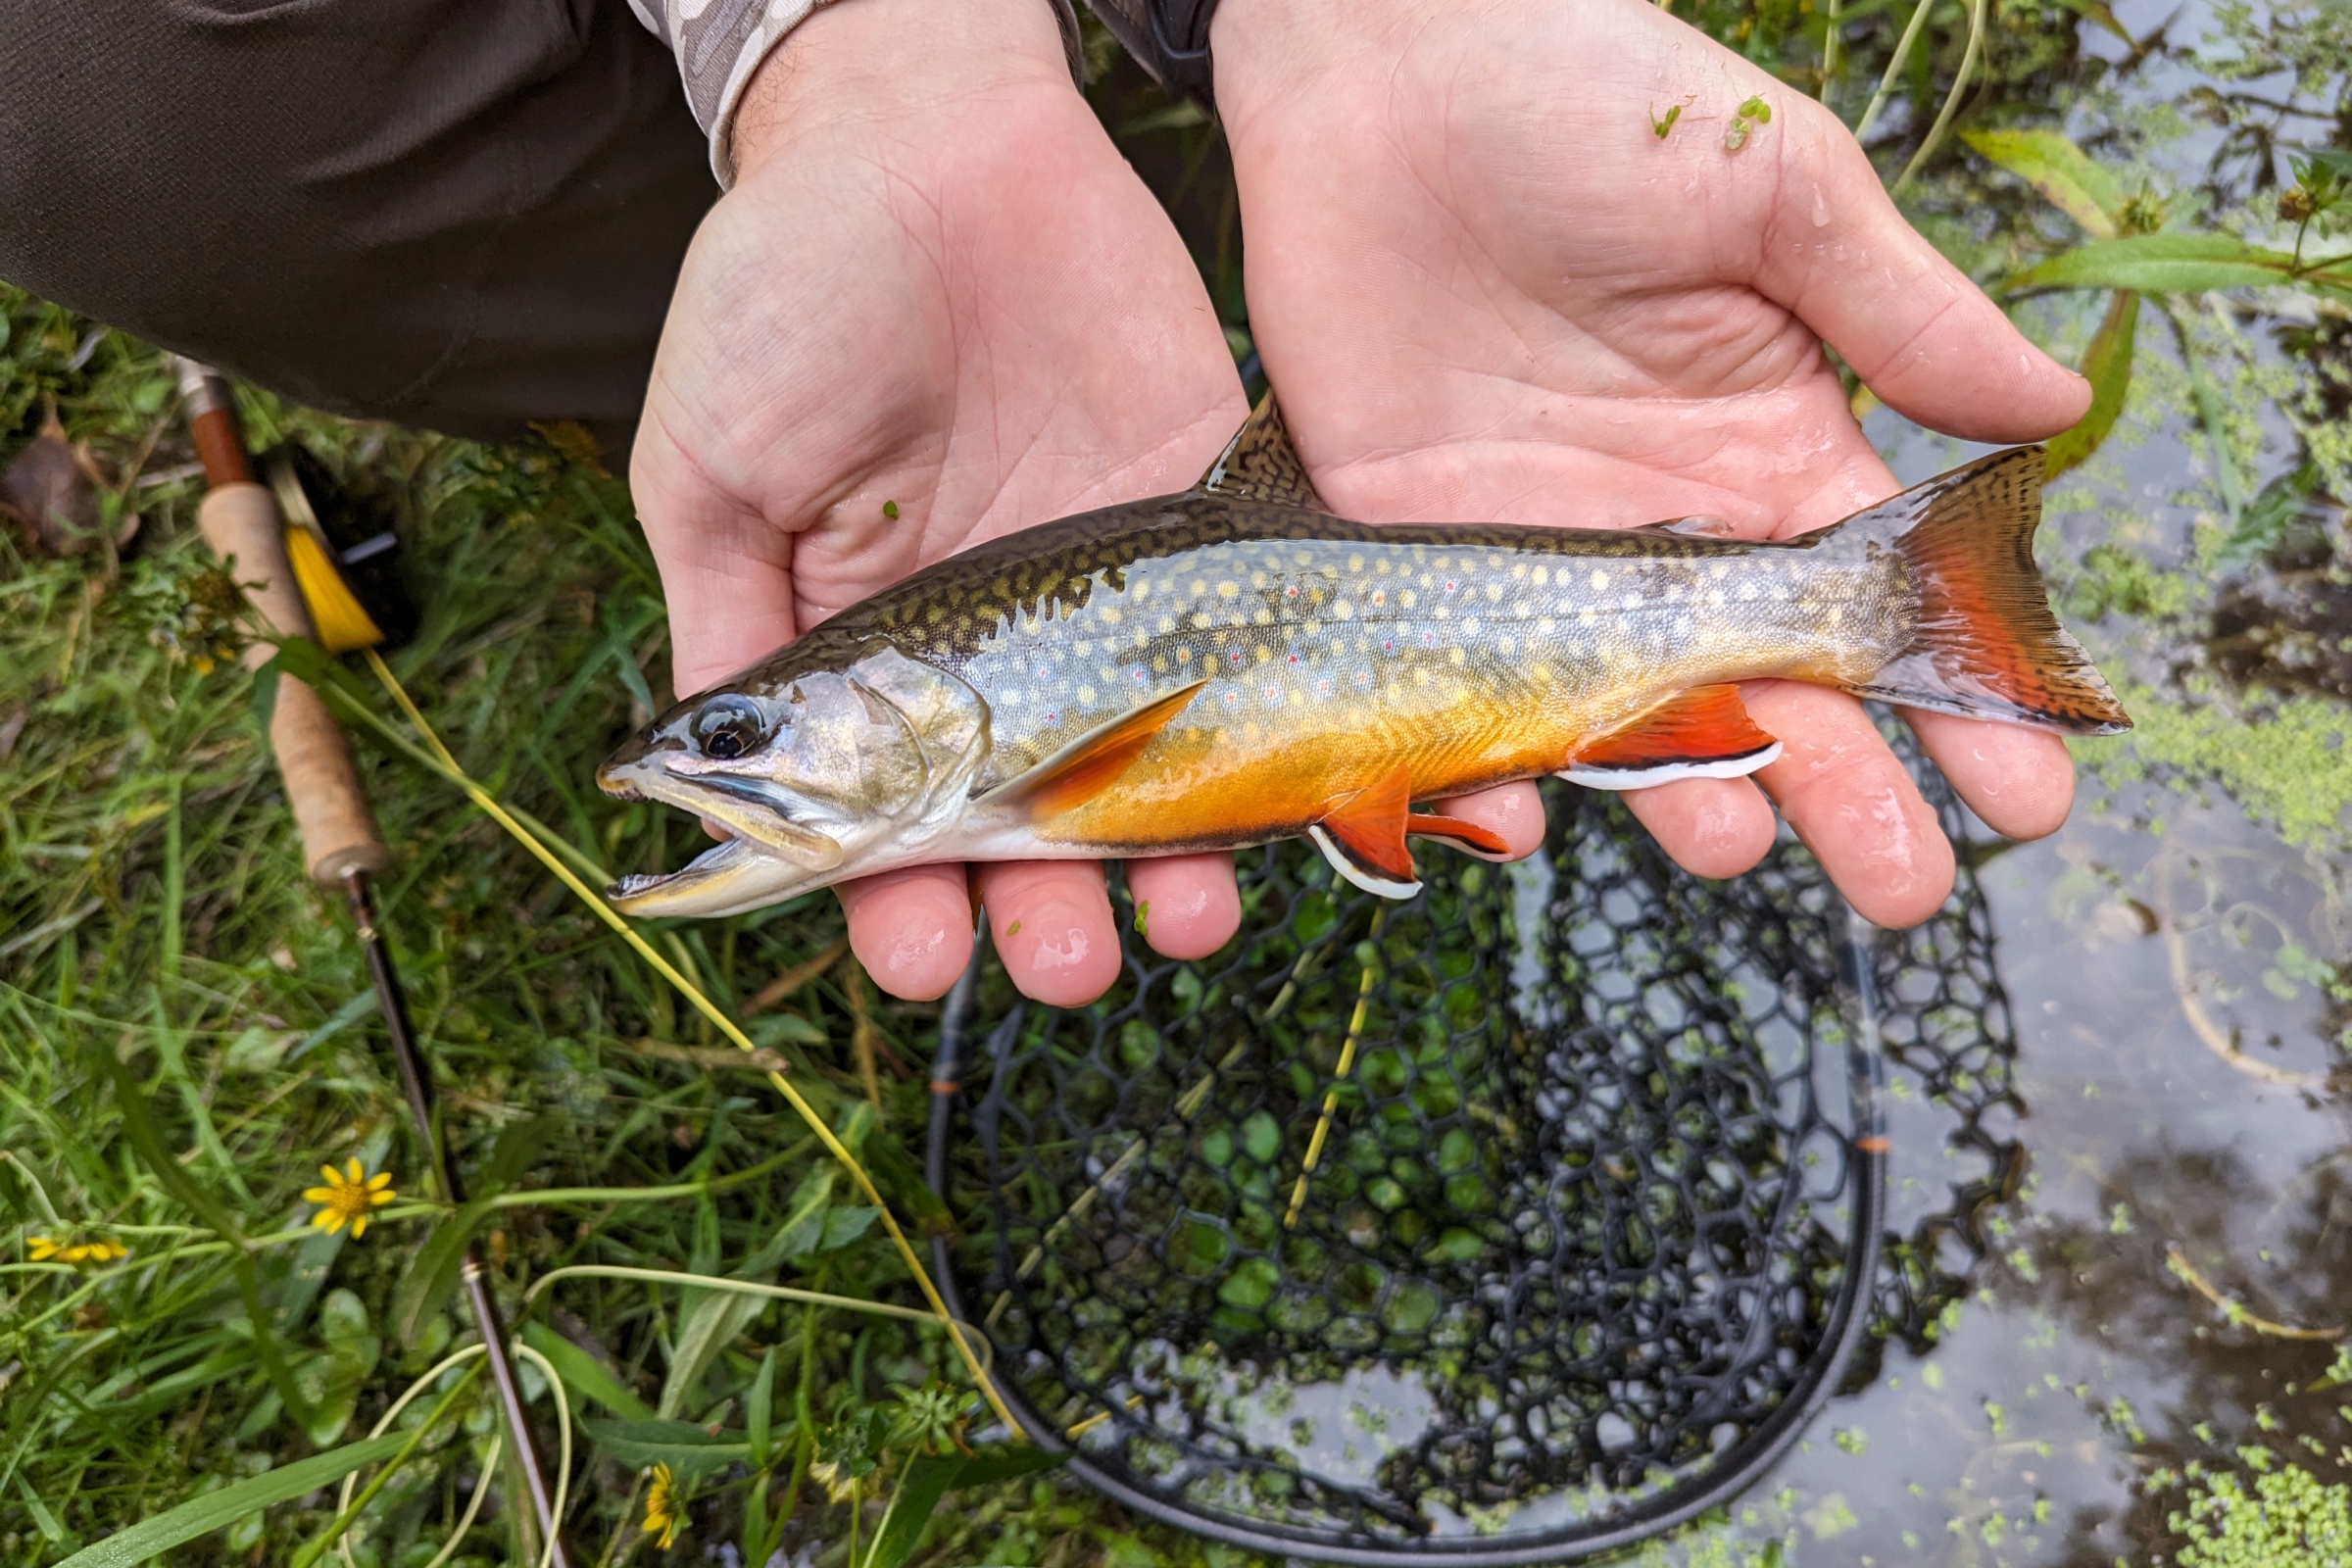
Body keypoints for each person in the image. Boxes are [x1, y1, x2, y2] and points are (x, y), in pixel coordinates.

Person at [2, 0, 2090, 1008]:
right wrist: (863, 71)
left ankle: (1866, 594)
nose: (697, 749)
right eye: (731, 737)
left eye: (737, 732)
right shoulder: (1031, 752)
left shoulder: (1068, 761)